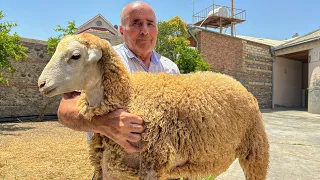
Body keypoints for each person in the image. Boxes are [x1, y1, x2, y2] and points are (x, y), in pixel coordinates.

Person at [57, 1, 180, 153]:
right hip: (115, 167)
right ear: (121, 31)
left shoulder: (170, 69)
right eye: (136, 23)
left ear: (156, 30)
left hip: (162, 167)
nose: (145, 31)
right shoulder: (99, 62)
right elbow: (65, 110)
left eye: (150, 24)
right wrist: (101, 122)